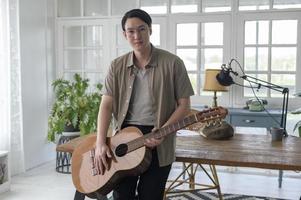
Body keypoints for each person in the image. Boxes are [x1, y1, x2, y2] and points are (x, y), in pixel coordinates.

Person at [94, 8, 194, 200]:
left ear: (150, 30)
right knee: (122, 196)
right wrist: (100, 143)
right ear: (125, 34)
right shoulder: (116, 66)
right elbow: (106, 105)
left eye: (141, 29)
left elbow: (184, 105)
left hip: (159, 137)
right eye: (130, 31)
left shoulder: (173, 63)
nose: (136, 36)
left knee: (151, 195)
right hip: (123, 139)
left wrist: (163, 132)